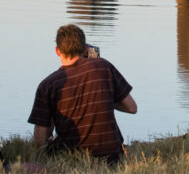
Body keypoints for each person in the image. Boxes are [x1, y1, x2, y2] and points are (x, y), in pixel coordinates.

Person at [28, 24, 137, 162]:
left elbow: (39, 141)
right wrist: (104, 95)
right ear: (85, 48)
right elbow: (132, 108)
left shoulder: (48, 85)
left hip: (72, 155)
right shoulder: (103, 66)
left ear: (57, 51)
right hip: (113, 154)